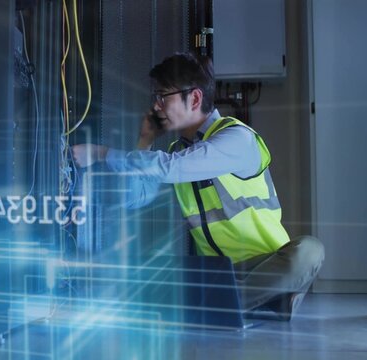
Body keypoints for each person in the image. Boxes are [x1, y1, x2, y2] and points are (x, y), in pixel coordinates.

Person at [71, 52, 324, 321]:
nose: (156, 106)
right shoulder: (176, 152)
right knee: (148, 273)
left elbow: (172, 167)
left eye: (163, 97)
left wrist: (100, 153)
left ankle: (224, 303)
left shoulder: (237, 138)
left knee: (309, 251)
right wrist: (144, 140)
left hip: (266, 263)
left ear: (194, 98)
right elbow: (136, 197)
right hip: (216, 273)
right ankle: (265, 300)